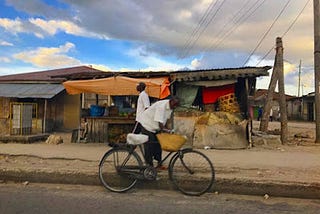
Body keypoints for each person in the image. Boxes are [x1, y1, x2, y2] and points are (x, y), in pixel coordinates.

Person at [139, 97, 180, 168]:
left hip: (155, 127)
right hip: (147, 125)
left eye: (177, 105)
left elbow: (165, 120)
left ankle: (159, 163)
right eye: (174, 105)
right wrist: (166, 130)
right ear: (171, 102)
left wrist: (166, 129)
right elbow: (160, 123)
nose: (175, 107)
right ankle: (149, 166)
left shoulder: (170, 107)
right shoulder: (161, 107)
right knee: (149, 145)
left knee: (158, 144)